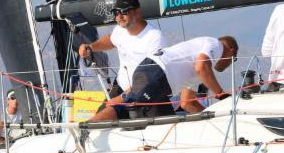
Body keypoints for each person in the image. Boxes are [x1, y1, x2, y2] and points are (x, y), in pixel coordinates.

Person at [90, 36, 238, 122]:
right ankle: (87, 127)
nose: (230, 64)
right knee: (130, 106)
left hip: (157, 76)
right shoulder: (216, 44)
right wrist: (220, 94)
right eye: (234, 59)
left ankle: (102, 114)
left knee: (168, 122)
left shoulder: (199, 72)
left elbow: (187, 104)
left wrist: (212, 116)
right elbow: (202, 66)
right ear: (231, 51)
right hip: (159, 72)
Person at [77, 0, 165, 101]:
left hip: (144, 92)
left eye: (124, 11)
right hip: (121, 87)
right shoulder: (120, 30)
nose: (119, 17)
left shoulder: (154, 37)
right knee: (101, 115)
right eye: (116, 13)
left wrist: (122, 98)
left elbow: (153, 75)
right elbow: (111, 40)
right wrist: (90, 47)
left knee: (110, 114)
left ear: (137, 12)